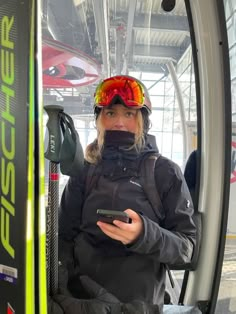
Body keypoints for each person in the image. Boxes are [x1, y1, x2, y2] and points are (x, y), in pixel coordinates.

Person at [53, 75, 196, 314]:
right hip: (82, 302)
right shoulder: (85, 170)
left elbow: (186, 249)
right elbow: (64, 237)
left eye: (129, 114)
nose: (119, 122)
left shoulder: (164, 172)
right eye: (110, 113)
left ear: (143, 121)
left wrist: (143, 234)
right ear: (99, 120)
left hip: (138, 306)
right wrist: (61, 289)